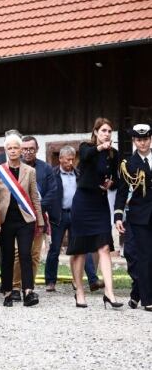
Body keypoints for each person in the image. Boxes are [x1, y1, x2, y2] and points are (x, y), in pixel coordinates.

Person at [68, 117, 122, 308]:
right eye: (103, 131)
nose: (107, 134)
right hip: (83, 202)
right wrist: (101, 147)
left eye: (109, 131)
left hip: (100, 202)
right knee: (80, 251)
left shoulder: (113, 154)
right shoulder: (86, 147)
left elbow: (116, 177)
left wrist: (111, 183)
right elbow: (85, 157)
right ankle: (80, 292)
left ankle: (110, 292)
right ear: (96, 132)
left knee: (104, 247)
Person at [0, 134, 44, 307]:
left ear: (21, 150)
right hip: (5, 220)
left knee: (25, 254)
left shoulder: (30, 171)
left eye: (16, 147)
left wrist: (40, 222)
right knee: (7, 256)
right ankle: (8, 292)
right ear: (6, 150)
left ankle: (28, 292)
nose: (13, 151)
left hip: (26, 220)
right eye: (10, 148)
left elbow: (34, 198)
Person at [44, 146, 101, 292]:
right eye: (67, 159)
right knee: (55, 249)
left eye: (72, 159)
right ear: (61, 159)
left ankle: (93, 280)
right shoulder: (53, 173)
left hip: (77, 215)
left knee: (83, 247)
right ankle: (50, 282)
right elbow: (48, 194)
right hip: (59, 216)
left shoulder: (79, 174)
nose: (70, 162)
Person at [8, 136, 58, 299]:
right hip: (18, 218)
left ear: (36, 149)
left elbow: (52, 191)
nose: (28, 152)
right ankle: (15, 286)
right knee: (18, 253)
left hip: (38, 216)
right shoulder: (13, 169)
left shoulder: (46, 169)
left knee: (35, 254)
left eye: (31, 149)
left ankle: (29, 286)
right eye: (25, 149)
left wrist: (36, 209)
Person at [115, 123, 152, 310]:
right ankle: (148, 300)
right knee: (144, 257)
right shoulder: (128, 164)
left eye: (145, 139)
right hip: (140, 217)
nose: (143, 143)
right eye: (139, 140)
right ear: (134, 141)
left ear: (150, 139)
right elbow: (122, 193)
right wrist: (118, 216)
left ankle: (137, 293)